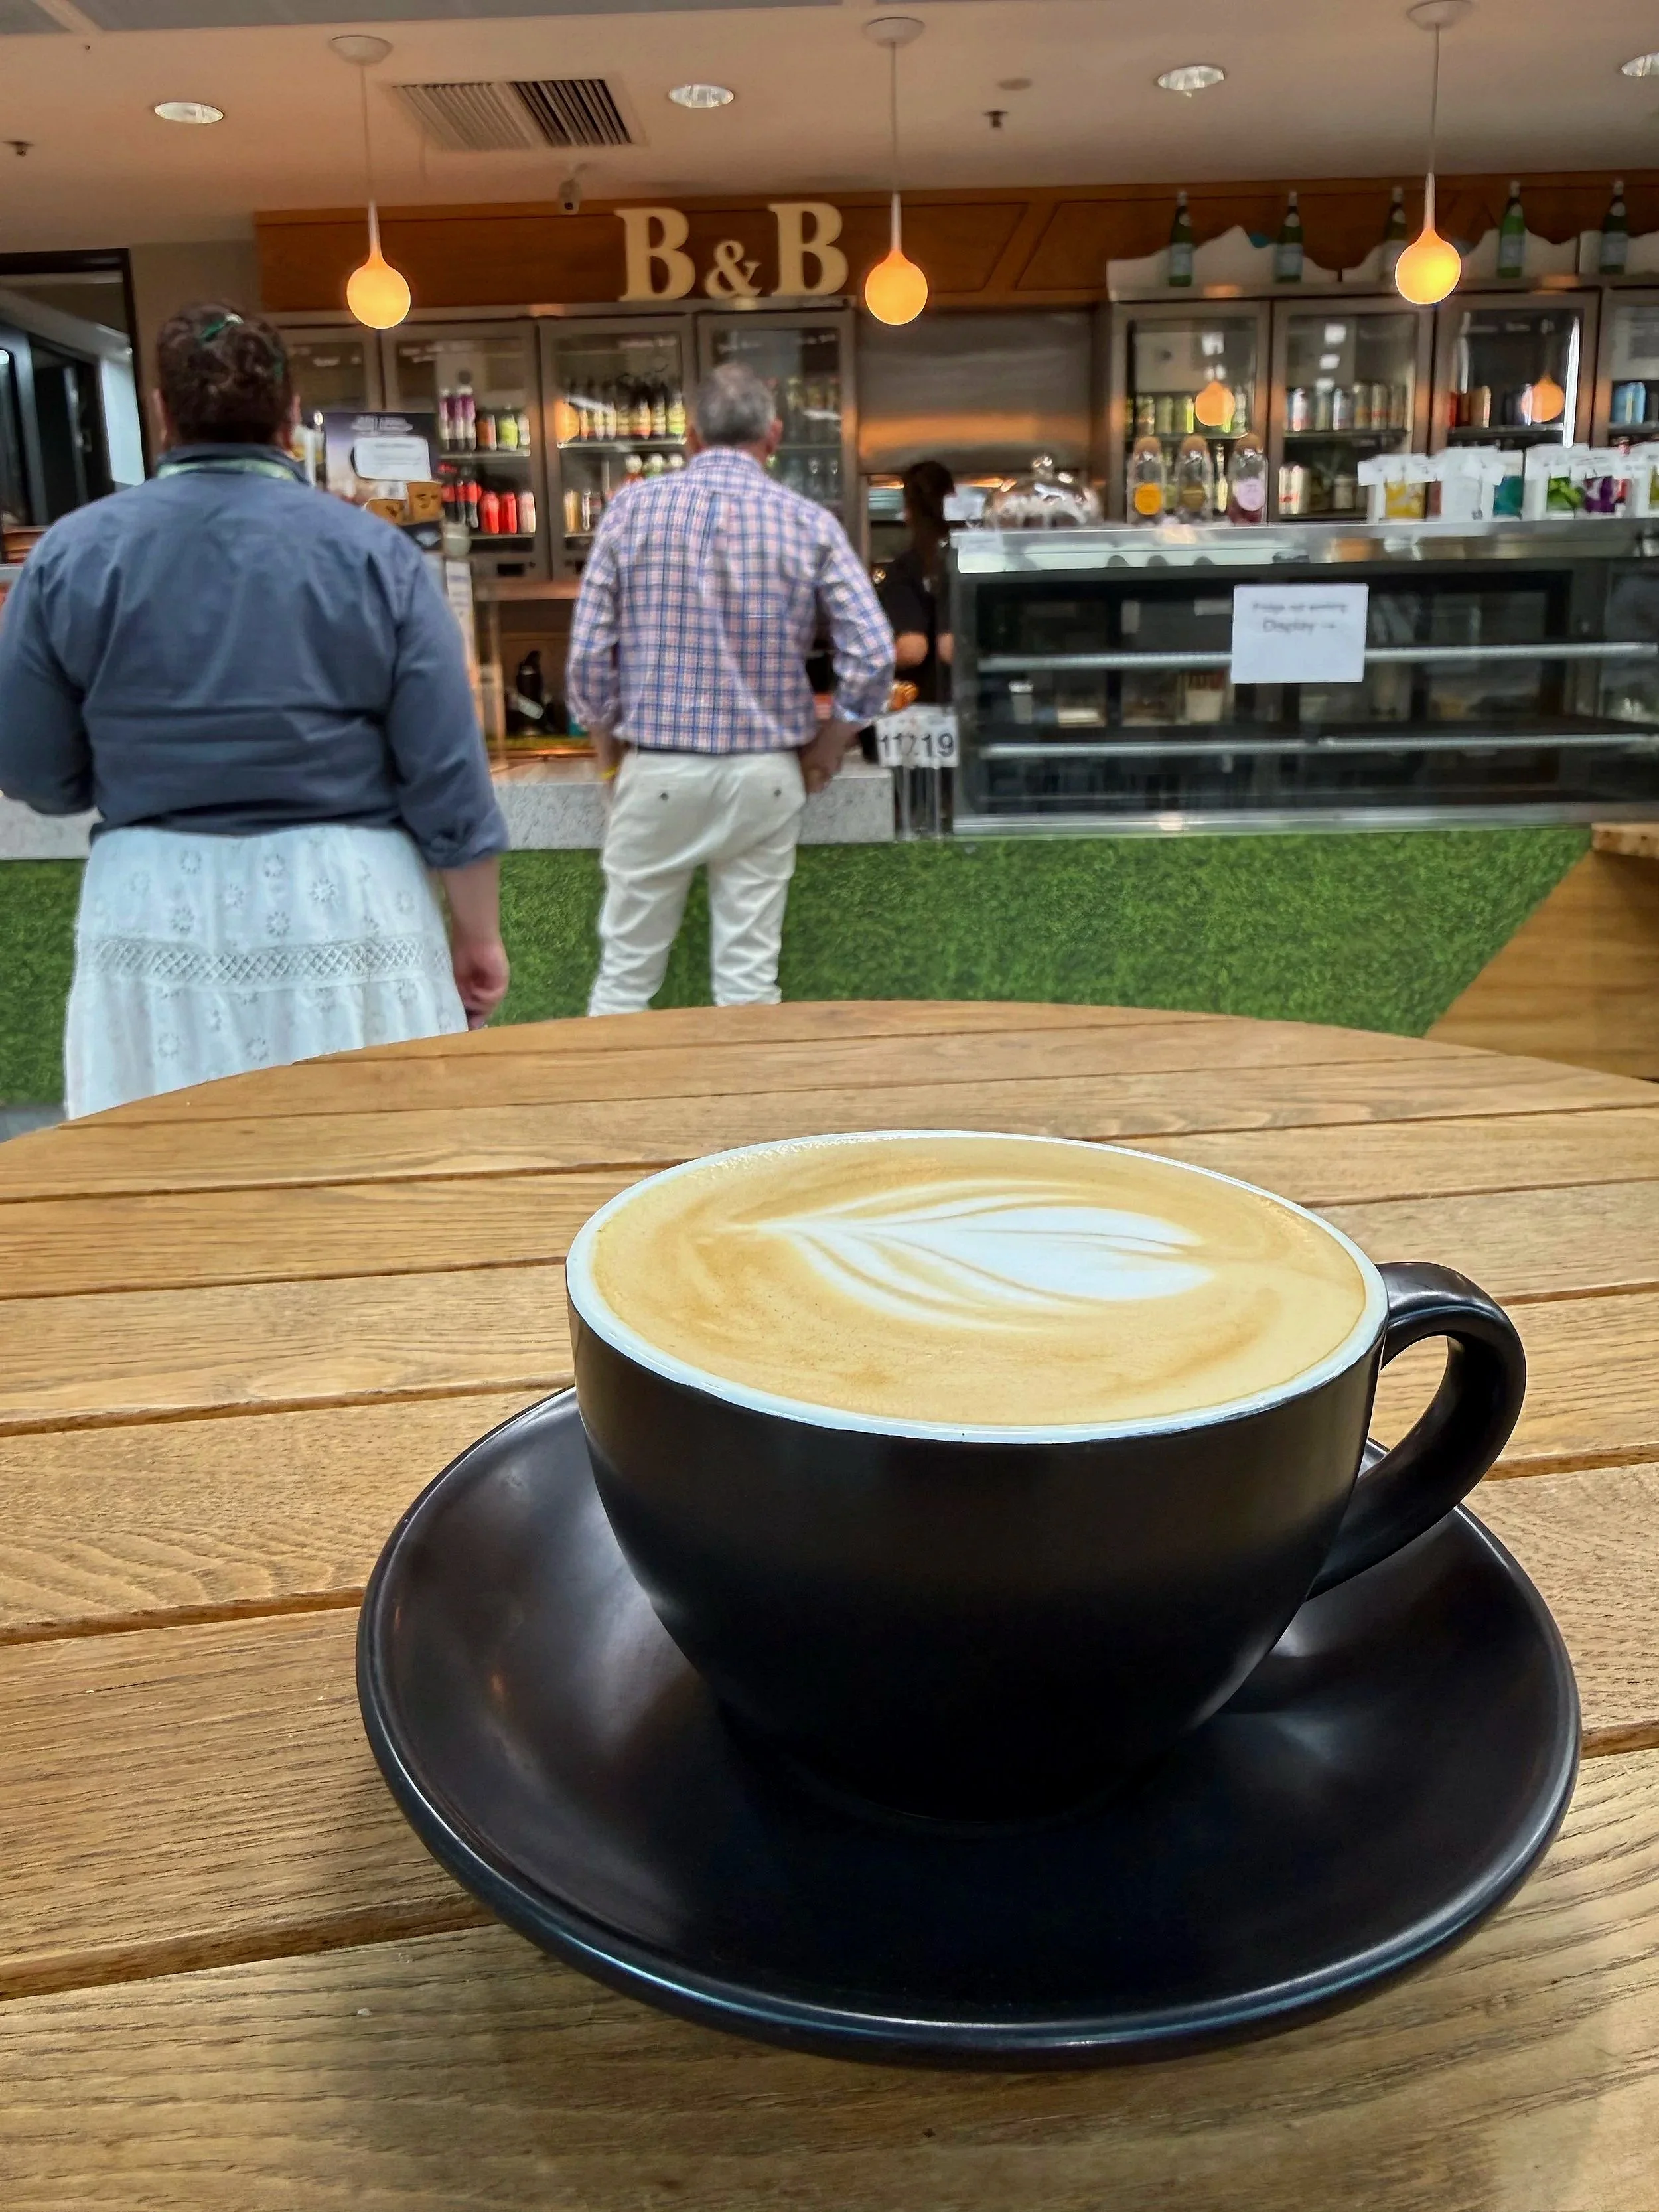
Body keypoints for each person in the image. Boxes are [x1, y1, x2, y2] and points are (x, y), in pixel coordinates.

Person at [0, 303, 509, 1118]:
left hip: (152, 905)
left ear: (162, 412)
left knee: (165, 1161)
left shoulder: (69, 555)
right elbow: (447, 775)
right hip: (345, 903)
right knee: (365, 1157)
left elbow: (32, 768)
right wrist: (478, 936)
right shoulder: (376, 554)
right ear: (290, 413)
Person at [566, 360, 894, 1016]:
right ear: (774, 436)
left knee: (625, 982)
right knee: (748, 987)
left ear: (690, 436)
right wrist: (828, 748)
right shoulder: (809, 522)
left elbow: (588, 656)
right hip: (766, 776)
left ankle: (613, 1088)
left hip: (657, 770)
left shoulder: (631, 510)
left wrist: (609, 759)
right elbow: (874, 651)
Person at [877, 459, 956, 704]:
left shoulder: (906, 567)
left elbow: (912, 650)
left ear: (910, 511)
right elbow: (951, 647)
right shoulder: (972, 561)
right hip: (976, 700)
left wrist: (870, 659)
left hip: (920, 707)